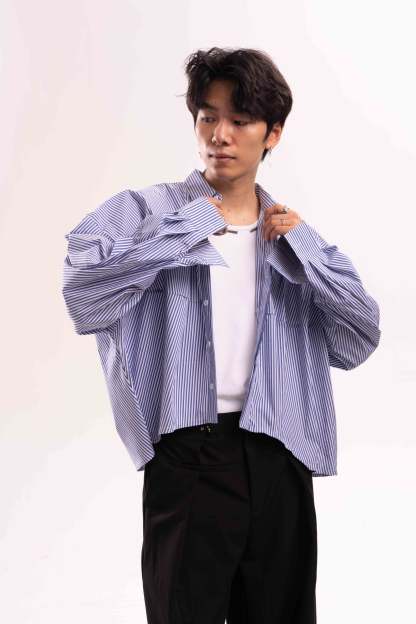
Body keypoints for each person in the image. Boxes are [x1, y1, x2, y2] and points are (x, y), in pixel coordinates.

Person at [62, 47, 381, 624]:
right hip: (187, 455)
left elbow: (359, 338)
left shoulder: (291, 240)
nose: (220, 135)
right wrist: (191, 226)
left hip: (279, 453)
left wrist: (306, 248)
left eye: (240, 120)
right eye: (208, 117)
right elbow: (83, 297)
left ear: (272, 134)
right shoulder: (142, 210)